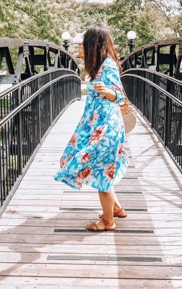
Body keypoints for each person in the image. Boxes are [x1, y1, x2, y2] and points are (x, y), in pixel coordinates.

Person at [54, 24, 128, 231]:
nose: (82, 50)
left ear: (94, 45)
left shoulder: (109, 66)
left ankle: (107, 221)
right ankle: (116, 209)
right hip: (98, 126)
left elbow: (119, 95)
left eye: (85, 45)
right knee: (102, 167)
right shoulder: (101, 65)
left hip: (106, 129)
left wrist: (107, 91)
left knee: (101, 171)